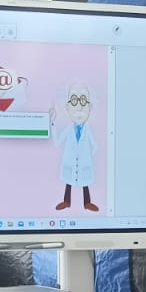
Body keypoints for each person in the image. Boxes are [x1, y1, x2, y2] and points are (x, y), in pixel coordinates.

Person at [49, 82, 98, 212]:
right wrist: (52, 123)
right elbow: (57, 142)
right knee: (69, 181)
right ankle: (66, 201)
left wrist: (87, 157)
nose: (79, 107)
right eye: (74, 101)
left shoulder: (88, 129)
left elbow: (95, 146)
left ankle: (87, 203)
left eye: (83, 101)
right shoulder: (68, 129)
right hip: (70, 163)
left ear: (90, 106)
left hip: (84, 163)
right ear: (67, 106)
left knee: (85, 182)